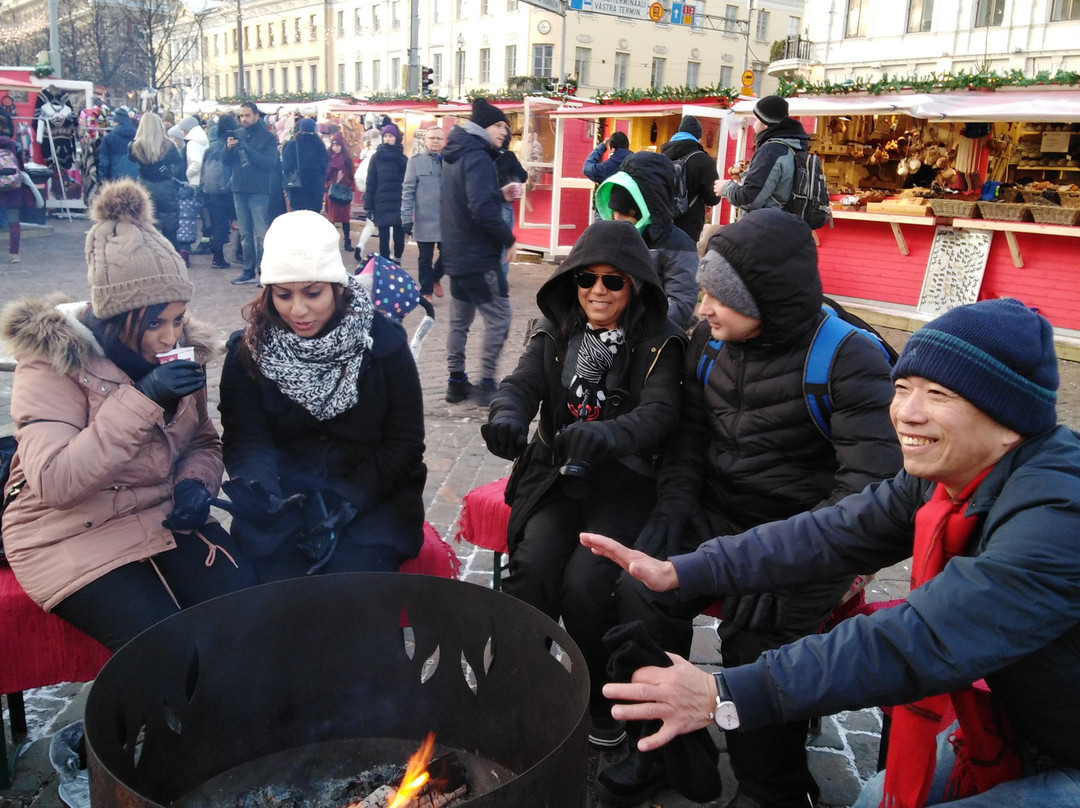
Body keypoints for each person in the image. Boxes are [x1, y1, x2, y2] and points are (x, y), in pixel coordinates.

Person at [585, 296, 1080, 808]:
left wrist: (723, 696)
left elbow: (919, 636)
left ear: (1009, 418)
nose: (907, 413)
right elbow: (828, 532)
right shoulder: (948, 478)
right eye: (904, 387)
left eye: (939, 395)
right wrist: (682, 570)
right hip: (1023, 730)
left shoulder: (1059, 513)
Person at [591, 206, 903, 808]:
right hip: (720, 514)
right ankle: (663, 747)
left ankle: (773, 786)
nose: (702, 307)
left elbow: (870, 491)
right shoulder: (709, 341)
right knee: (635, 589)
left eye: (719, 296)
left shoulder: (848, 358)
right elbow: (687, 437)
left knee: (758, 636)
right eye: (703, 291)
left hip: (811, 536)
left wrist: (797, 567)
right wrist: (674, 510)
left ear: (768, 299)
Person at [0, 179, 255, 653]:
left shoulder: (183, 353)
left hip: (161, 515)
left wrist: (197, 484)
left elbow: (203, 442)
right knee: (169, 653)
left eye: (178, 318)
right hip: (69, 533)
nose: (169, 337)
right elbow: (55, 482)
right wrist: (142, 399)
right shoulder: (53, 361)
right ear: (113, 316)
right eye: (153, 322)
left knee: (246, 620)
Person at [481, 217, 686, 762]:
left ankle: (600, 695)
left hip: (622, 481)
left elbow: (661, 413)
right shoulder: (553, 330)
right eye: (586, 278)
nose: (598, 290)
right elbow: (522, 383)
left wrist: (606, 435)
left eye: (613, 281)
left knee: (586, 586)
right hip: (556, 476)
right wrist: (507, 413)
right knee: (534, 569)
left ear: (635, 284)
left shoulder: (661, 343)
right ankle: (524, 684)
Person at [217, 210, 427, 583]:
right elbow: (247, 438)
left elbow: (404, 444)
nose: (298, 310)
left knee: (350, 585)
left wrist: (349, 499)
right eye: (283, 295)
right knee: (271, 589)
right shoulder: (249, 352)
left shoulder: (384, 343)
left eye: (312, 293)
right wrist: (263, 491)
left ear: (336, 286)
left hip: (370, 498)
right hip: (285, 499)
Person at [440, 99, 517, 407]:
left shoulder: (456, 152)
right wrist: (508, 238)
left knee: (459, 322)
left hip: (457, 255)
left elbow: (464, 201)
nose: (504, 132)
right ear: (484, 126)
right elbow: (480, 209)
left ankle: (456, 382)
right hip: (478, 255)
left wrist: (498, 194)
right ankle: (487, 383)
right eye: (499, 125)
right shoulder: (478, 156)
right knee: (500, 318)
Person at [594, 151, 699, 330]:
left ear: (647, 209)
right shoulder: (606, 238)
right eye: (614, 212)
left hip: (652, 338)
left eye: (627, 213)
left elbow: (681, 304)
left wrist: (632, 325)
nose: (618, 218)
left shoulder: (678, 245)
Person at [717, 95, 810, 214]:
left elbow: (750, 199)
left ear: (765, 123)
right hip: (789, 225)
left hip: (766, 227)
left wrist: (725, 187)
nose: (754, 126)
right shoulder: (796, 147)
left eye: (756, 120)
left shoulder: (771, 152)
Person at [224, 100, 281, 286]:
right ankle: (248, 271)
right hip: (239, 188)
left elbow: (268, 164)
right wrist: (228, 149)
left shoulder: (268, 138)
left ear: (256, 116)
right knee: (244, 233)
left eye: (247, 115)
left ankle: (265, 272)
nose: (243, 119)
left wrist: (246, 146)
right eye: (241, 116)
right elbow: (225, 162)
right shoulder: (237, 134)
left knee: (261, 233)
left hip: (259, 190)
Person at [128, 112, 185, 249]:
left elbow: (131, 159)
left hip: (144, 187)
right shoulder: (169, 146)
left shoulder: (134, 147)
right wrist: (166, 171)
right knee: (170, 230)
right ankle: (173, 260)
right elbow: (179, 164)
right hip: (165, 187)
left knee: (145, 229)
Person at [658, 115, 720, 241]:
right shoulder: (705, 161)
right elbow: (712, 199)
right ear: (698, 137)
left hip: (661, 225)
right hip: (689, 230)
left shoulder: (661, 158)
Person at [401, 126, 445, 299]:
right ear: (426, 140)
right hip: (424, 218)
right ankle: (426, 291)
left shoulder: (450, 161)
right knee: (424, 258)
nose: (435, 141)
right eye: (432, 138)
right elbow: (408, 190)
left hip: (446, 219)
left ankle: (435, 277)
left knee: (450, 254)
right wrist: (406, 217)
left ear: (444, 141)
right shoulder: (415, 161)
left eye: (439, 138)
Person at [365, 122, 408, 262]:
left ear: (397, 138)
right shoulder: (376, 158)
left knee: (399, 235)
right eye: (385, 136)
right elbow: (371, 182)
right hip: (381, 201)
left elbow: (408, 183)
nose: (387, 139)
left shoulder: (403, 159)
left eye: (391, 136)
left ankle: (397, 260)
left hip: (398, 202)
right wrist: (368, 205)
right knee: (383, 235)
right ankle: (384, 263)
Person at [200, 114, 237, 270]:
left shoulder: (210, 148)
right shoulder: (230, 146)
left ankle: (218, 257)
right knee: (242, 223)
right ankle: (241, 253)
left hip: (212, 191)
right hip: (228, 190)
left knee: (218, 225)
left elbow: (203, 170)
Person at [494, 129, 527, 278]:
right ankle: (500, 281)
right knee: (504, 245)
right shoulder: (508, 156)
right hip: (504, 205)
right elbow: (523, 175)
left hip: (485, 204)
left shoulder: (482, 156)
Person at [281, 117, 328, 214]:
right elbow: (325, 165)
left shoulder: (293, 144)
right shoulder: (320, 144)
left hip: (298, 186)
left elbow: (286, 166)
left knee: (299, 216)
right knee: (313, 216)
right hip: (316, 186)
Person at [583, 131, 632, 217]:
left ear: (612, 148)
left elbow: (587, 168)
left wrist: (602, 146)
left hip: (606, 213)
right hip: (630, 212)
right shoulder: (635, 163)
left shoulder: (607, 167)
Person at [353, 128, 383, 261]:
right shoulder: (381, 156)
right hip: (382, 195)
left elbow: (358, 177)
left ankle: (360, 245)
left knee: (370, 224)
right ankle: (388, 255)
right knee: (388, 225)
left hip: (370, 194)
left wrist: (365, 188)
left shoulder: (368, 156)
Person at [324, 132, 356, 251]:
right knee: (331, 218)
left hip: (344, 192)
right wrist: (327, 186)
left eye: (337, 146)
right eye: (334, 145)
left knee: (345, 219)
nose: (335, 148)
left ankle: (347, 241)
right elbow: (325, 175)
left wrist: (351, 187)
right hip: (332, 192)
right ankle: (331, 242)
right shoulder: (327, 158)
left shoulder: (347, 160)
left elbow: (352, 175)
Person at [0, 135, 25, 263]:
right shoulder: (14, 145)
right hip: (13, 189)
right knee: (14, 222)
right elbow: (21, 166)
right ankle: (14, 254)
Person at [98, 108, 138, 181]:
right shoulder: (138, 136)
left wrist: (102, 180)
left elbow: (104, 162)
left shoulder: (108, 138)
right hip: (135, 181)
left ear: (116, 122)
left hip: (115, 181)